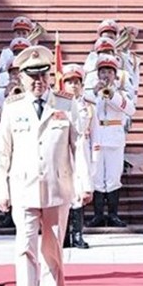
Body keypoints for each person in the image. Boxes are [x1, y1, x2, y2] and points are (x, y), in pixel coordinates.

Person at [0, 45, 93, 286]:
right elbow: (2, 152)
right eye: (31, 76)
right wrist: (2, 189)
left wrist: (84, 184)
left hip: (56, 185)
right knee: (24, 248)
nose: (38, 81)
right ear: (21, 78)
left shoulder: (65, 104)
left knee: (53, 248)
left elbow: (79, 147)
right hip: (23, 186)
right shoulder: (12, 108)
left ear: (51, 76)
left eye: (43, 75)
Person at [86, 54, 136, 228]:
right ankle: (98, 215)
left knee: (113, 177)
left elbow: (130, 110)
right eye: (102, 71)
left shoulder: (121, 92)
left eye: (109, 71)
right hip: (97, 136)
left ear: (115, 75)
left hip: (114, 137)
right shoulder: (90, 91)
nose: (106, 75)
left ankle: (113, 215)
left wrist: (112, 95)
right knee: (97, 177)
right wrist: (96, 93)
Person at [61, 64, 94, 249]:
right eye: (69, 82)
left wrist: (94, 156)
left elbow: (93, 131)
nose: (73, 86)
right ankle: (64, 235)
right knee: (64, 193)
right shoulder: (56, 104)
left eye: (76, 82)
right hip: (63, 152)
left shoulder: (88, 106)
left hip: (82, 151)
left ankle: (78, 235)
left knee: (79, 192)